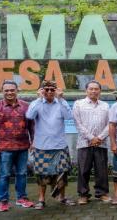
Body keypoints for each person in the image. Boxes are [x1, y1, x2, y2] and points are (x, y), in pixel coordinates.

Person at [26, 80, 75, 209]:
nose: (49, 92)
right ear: (42, 90)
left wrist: (62, 99)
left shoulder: (60, 103)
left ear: (56, 90)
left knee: (62, 174)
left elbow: (69, 117)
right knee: (42, 175)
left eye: (51, 89)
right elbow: (29, 116)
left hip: (59, 146)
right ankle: (41, 200)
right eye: (46, 89)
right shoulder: (36, 103)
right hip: (42, 146)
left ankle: (62, 197)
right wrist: (38, 99)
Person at [0, 80, 35, 212]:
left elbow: (32, 126)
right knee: (4, 175)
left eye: (12, 90)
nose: (9, 92)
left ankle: (22, 198)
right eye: (6, 90)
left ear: (17, 90)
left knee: (22, 173)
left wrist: (34, 141)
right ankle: (3, 201)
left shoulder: (26, 106)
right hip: (4, 147)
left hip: (23, 146)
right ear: (2, 91)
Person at [73, 80, 111, 205]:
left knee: (102, 170)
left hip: (101, 143)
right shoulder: (78, 104)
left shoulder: (105, 105)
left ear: (100, 91)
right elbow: (78, 124)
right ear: (86, 90)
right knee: (84, 170)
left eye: (96, 89)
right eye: (91, 89)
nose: (94, 91)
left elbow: (109, 124)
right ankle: (83, 194)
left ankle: (102, 193)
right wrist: (91, 138)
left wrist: (99, 138)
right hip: (84, 143)